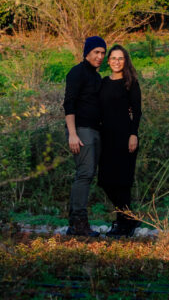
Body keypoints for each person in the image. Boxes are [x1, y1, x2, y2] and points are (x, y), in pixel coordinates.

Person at [63, 35, 107, 237]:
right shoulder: (77, 72)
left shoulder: (96, 77)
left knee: (88, 175)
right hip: (81, 130)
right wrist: (72, 134)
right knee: (84, 173)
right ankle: (78, 224)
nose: (100, 56)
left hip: (95, 130)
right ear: (87, 52)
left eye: (102, 53)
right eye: (96, 52)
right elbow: (69, 104)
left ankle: (77, 223)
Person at [98, 44, 142, 237]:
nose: (117, 61)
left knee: (122, 181)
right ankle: (128, 219)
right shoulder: (102, 83)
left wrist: (134, 134)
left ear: (125, 61)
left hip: (125, 137)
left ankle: (123, 224)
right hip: (106, 137)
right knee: (106, 181)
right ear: (108, 61)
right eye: (113, 58)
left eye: (120, 58)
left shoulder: (131, 82)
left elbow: (137, 111)